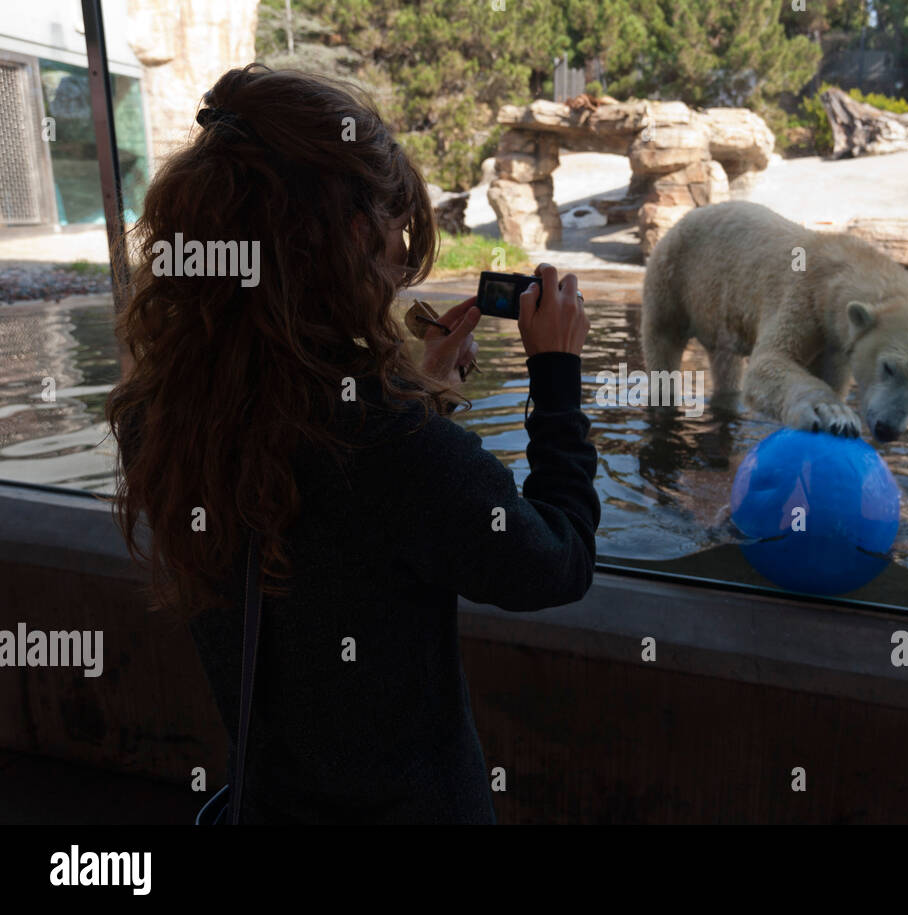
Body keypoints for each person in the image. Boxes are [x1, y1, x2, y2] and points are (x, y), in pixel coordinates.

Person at [105, 64, 599, 823]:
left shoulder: (157, 416)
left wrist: (416, 391)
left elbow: (313, 485)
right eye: (391, 236)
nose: (397, 267)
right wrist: (558, 381)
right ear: (345, 240)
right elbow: (556, 560)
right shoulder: (395, 448)